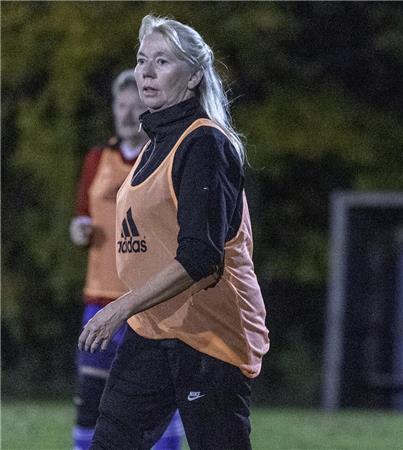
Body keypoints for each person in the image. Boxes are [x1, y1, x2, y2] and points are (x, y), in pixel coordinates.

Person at [78, 14, 269, 450]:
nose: (146, 71)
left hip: (210, 333)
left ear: (194, 76)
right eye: (142, 60)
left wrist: (120, 306)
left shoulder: (204, 142)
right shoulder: (154, 144)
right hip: (154, 327)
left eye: (162, 61)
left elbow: (201, 257)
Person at [70, 69, 184, 450]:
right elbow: (81, 219)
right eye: (120, 105)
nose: (126, 113)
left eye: (134, 105)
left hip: (150, 301)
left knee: (156, 403)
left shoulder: (162, 155)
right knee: (91, 399)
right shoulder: (97, 159)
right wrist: (80, 231)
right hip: (100, 299)